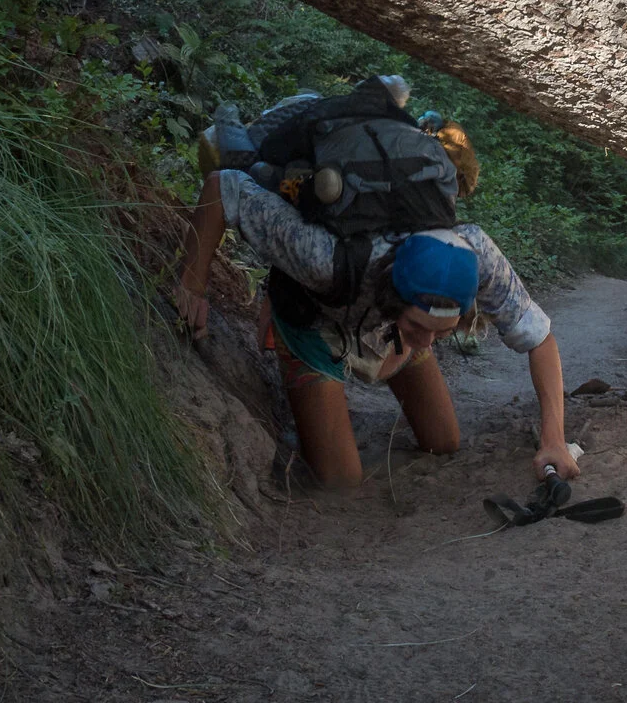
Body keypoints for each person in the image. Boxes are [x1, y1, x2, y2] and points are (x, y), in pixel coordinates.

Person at [169, 166, 578, 489]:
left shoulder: (475, 255)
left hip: (386, 325)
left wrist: (554, 440)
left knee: (443, 442)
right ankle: (287, 320)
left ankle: (404, 339)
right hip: (315, 321)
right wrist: (191, 285)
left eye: (443, 332)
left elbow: (540, 338)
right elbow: (224, 186)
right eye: (423, 327)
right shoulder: (321, 256)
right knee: (342, 480)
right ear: (394, 298)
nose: (430, 341)